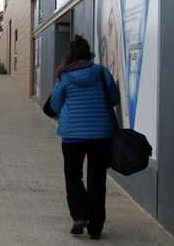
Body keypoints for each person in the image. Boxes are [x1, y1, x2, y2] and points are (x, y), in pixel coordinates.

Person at [50, 35, 120, 240]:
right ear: (89, 53)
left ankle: (80, 216)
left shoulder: (65, 76)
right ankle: (96, 228)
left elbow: (54, 106)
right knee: (97, 180)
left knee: (73, 176)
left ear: (69, 55)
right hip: (102, 135)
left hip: (73, 136)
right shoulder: (102, 72)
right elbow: (114, 98)